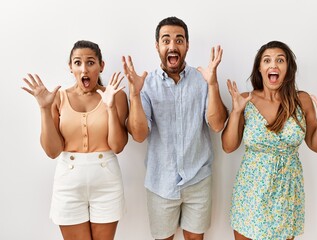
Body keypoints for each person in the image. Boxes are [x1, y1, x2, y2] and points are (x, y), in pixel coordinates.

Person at [221, 40, 317, 240]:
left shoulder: (301, 100)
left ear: (288, 68)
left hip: (287, 191)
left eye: (280, 60)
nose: (273, 65)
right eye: (267, 60)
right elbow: (228, 147)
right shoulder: (245, 99)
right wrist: (236, 112)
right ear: (259, 68)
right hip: (251, 190)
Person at [122, 16, 228, 240]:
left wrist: (213, 84)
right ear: (157, 46)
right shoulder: (145, 85)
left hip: (198, 179)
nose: (172, 45)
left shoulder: (202, 80)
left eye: (179, 40)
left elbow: (218, 125)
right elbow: (140, 135)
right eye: (166, 40)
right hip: (161, 181)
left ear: (187, 45)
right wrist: (134, 94)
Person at [21, 40, 128, 240]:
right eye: (77, 63)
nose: (84, 69)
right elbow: (53, 151)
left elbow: (118, 146)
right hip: (68, 181)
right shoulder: (58, 98)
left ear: (101, 65)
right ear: (70, 67)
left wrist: (111, 107)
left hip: (107, 180)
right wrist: (44, 108)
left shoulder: (117, 95)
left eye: (90, 62)